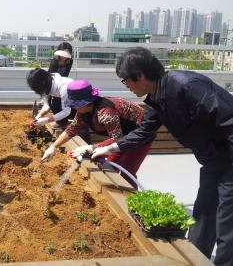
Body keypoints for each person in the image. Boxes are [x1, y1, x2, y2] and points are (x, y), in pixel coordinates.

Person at [94, 47, 233, 266]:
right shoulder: (156, 99)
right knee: (203, 211)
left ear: (139, 75)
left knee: (227, 221)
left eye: (126, 81)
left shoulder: (187, 86)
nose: (127, 87)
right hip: (211, 158)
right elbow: (142, 132)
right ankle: (196, 259)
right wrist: (109, 148)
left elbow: (229, 119)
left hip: (229, 156)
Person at [41, 79, 153, 189]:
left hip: (140, 135)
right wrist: (53, 147)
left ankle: (130, 202)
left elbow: (117, 139)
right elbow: (72, 129)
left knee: (127, 172)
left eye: (75, 104)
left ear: (86, 103)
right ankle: (115, 190)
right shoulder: (82, 111)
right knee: (110, 166)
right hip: (122, 135)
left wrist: (91, 147)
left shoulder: (105, 113)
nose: (73, 107)